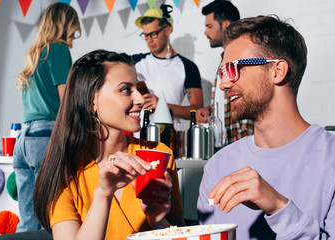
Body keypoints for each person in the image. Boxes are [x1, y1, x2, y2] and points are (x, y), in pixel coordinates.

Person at [197, 15, 335, 239]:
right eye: (222, 72)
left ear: (277, 71)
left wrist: (278, 207)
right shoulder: (217, 167)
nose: (224, 84)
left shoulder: (331, 159)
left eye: (233, 68)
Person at [33, 50, 185, 240]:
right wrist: (104, 195)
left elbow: (185, 234)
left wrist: (158, 221)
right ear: (91, 101)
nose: (139, 99)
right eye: (125, 90)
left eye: (137, 88)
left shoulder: (158, 154)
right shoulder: (65, 170)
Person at [13, 2, 81, 232]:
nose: (75, 32)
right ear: (65, 24)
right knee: (51, 217)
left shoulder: (34, 53)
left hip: (24, 140)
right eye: (73, 26)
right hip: (45, 136)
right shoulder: (59, 50)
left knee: (28, 221)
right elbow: (67, 100)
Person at [132, 4, 203, 131]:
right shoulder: (135, 62)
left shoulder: (187, 67)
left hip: (169, 137)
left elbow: (197, 110)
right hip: (136, 137)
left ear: (167, 30)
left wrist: (161, 105)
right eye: (145, 35)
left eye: (153, 34)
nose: (149, 40)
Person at [196, 0, 253, 145]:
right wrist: (210, 110)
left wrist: (237, 148)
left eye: (209, 26)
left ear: (226, 25)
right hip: (223, 148)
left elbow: (248, 106)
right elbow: (229, 101)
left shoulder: (242, 59)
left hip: (237, 149)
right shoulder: (224, 58)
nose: (205, 32)